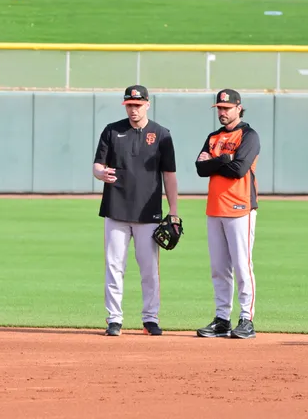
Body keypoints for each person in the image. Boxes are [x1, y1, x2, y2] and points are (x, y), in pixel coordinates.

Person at [93, 85, 179, 337]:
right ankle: (114, 319)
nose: (133, 109)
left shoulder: (161, 134)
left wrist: (173, 210)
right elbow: (98, 164)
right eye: (130, 105)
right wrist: (99, 173)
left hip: (148, 212)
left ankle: (150, 318)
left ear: (147, 104)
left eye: (138, 105)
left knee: (149, 269)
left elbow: (169, 175)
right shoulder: (112, 130)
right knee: (114, 266)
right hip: (115, 208)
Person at [195, 89, 260, 340]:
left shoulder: (249, 135)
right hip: (214, 208)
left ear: (238, 108)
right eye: (219, 108)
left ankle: (246, 319)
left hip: (240, 207)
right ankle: (222, 319)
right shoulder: (213, 136)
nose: (222, 112)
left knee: (242, 266)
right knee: (219, 268)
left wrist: (215, 160)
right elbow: (200, 169)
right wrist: (224, 158)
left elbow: (239, 169)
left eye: (227, 108)